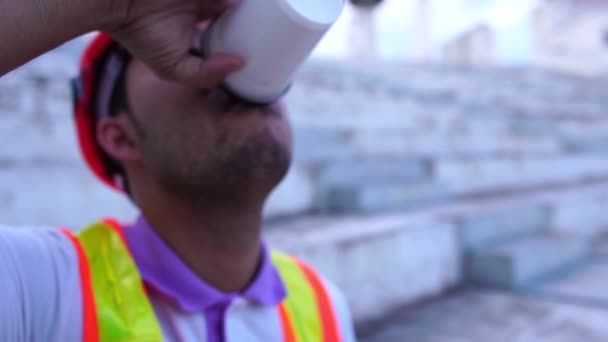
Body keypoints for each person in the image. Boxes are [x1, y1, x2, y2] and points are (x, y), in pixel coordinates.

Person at [0, 1, 356, 341]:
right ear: (121, 137)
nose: (230, 62)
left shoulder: (324, 303)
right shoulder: (43, 290)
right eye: (196, 46)